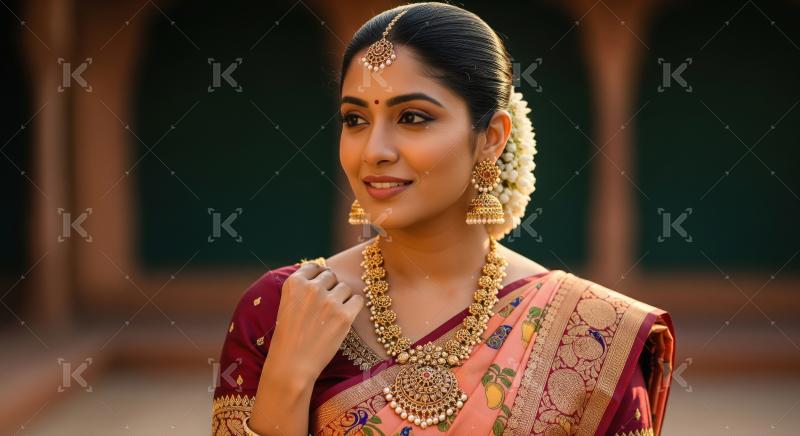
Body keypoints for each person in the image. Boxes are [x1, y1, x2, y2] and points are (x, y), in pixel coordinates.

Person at [211, 3, 675, 435]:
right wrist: (289, 378)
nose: (374, 151)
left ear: (491, 137)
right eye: (355, 120)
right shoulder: (282, 308)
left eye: (412, 117)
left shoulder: (593, 332)